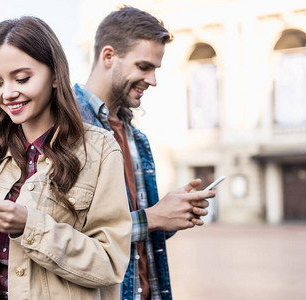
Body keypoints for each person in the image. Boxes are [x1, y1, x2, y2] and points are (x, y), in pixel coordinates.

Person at [0, 16, 132, 300]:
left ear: (56, 76)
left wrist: (29, 226)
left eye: (22, 78)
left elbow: (110, 264)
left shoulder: (101, 149)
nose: (8, 93)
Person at [74, 6, 215, 300]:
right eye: (144, 67)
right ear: (108, 56)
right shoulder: (68, 126)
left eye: (155, 69)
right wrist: (152, 217)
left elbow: (135, 232)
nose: (152, 80)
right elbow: (69, 236)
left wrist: (171, 212)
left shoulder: (134, 133)